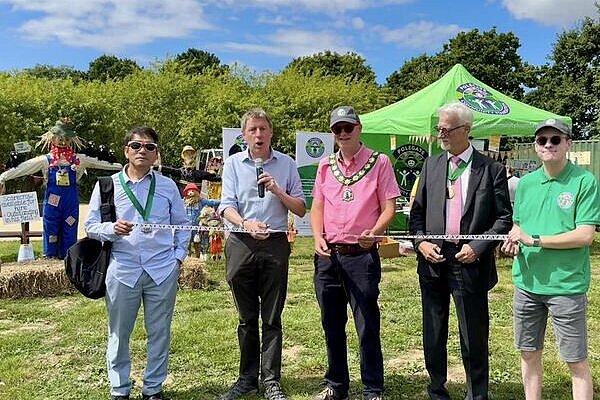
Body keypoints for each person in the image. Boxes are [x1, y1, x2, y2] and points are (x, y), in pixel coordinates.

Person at [409, 102, 512, 400]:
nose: (440, 133)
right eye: (439, 128)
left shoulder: (491, 169)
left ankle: (477, 393)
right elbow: (417, 214)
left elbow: (503, 218)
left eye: (446, 128)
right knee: (433, 331)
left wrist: (478, 247)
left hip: (470, 263)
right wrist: (421, 242)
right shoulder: (431, 165)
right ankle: (436, 389)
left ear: (466, 130)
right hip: (433, 262)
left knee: (474, 334)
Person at [84, 126, 190, 400]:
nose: (142, 151)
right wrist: (111, 229)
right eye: (136, 146)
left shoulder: (167, 186)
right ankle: (119, 390)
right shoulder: (107, 185)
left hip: (161, 270)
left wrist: (178, 257)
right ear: (126, 151)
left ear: (156, 154)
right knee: (119, 334)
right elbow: (91, 226)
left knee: (160, 332)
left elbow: (182, 224)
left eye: (149, 147)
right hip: (122, 269)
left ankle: (153, 389)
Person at [501, 119, 600, 400]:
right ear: (535, 146)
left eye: (555, 140)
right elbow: (518, 226)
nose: (548, 145)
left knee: (575, 360)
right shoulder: (526, 184)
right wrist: (514, 238)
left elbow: (584, 236)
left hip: (566, 286)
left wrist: (535, 240)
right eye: (542, 140)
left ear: (568, 143)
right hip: (527, 283)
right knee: (528, 353)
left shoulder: (584, 182)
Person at [311, 106, 400, 400]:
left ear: (359, 129)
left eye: (348, 128)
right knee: (331, 323)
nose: (343, 134)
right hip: (328, 256)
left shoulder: (379, 162)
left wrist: (374, 232)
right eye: (337, 129)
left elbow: (390, 207)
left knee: (366, 322)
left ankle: (372, 387)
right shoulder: (325, 165)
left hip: (361, 256)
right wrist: (316, 238)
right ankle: (337, 385)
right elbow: (318, 207)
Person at [218, 108, 306, 400]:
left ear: (271, 132)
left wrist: (277, 190)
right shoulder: (232, 164)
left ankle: (271, 380)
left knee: (272, 317)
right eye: (252, 129)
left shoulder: (287, 164)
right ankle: (246, 379)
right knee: (246, 318)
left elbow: (300, 208)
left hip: (276, 242)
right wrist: (245, 223)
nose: (258, 134)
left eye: (263, 129)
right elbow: (225, 206)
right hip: (241, 242)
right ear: (244, 134)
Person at [0, 118, 122, 258]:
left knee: (70, 226)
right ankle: (50, 256)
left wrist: (121, 167)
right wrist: (4, 176)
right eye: (60, 138)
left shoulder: (79, 159)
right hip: (52, 201)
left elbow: (102, 163)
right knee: (51, 226)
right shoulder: (46, 160)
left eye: (67, 138)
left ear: (72, 140)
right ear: (52, 138)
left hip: (70, 201)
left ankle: (68, 257)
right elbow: (25, 167)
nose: (63, 141)